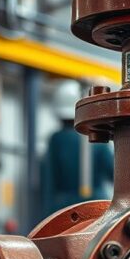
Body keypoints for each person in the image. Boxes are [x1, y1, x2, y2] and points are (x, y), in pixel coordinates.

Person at [40, 80, 115, 219]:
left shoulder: (56, 140)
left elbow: (48, 185)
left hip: (64, 211)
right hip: (97, 208)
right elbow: (115, 174)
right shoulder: (98, 137)